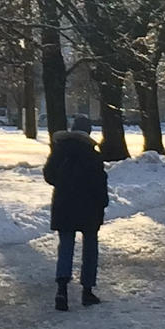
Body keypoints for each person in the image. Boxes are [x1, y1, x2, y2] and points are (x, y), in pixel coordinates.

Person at [43, 117, 109, 310]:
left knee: (66, 246)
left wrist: (64, 184)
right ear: (88, 132)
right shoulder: (93, 155)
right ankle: (87, 291)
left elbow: (49, 175)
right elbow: (99, 183)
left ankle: (61, 291)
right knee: (90, 247)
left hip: (64, 204)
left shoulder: (59, 151)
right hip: (88, 207)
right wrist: (102, 202)